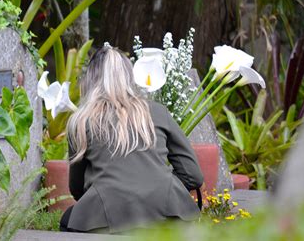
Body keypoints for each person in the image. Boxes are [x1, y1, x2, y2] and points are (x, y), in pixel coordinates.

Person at [60, 46, 204, 234]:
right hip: (169, 213)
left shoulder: (81, 121)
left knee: (68, 221)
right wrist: (160, 189)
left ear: (90, 80)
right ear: (130, 77)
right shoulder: (157, 112)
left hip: (106, 217)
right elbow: (193, 176)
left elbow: (77, 189)